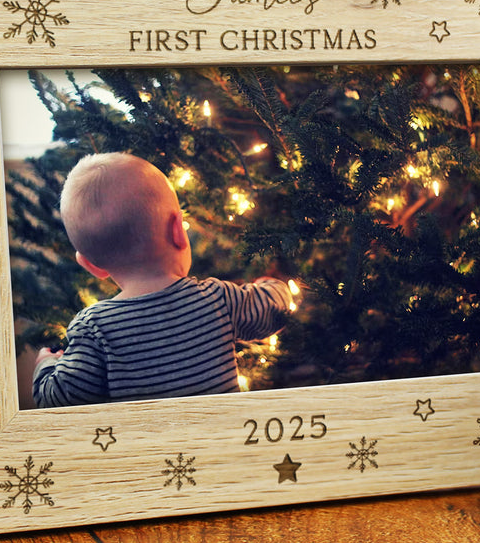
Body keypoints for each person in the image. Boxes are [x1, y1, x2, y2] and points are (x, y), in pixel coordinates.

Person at [33, 152, 294, 407]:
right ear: (178, 230)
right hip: (221, 443)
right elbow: (275, 308)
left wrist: (46, 364)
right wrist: (269, 285)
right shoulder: (216, 299)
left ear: (91, 265)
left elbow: (57, 399)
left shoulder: (93, 327)